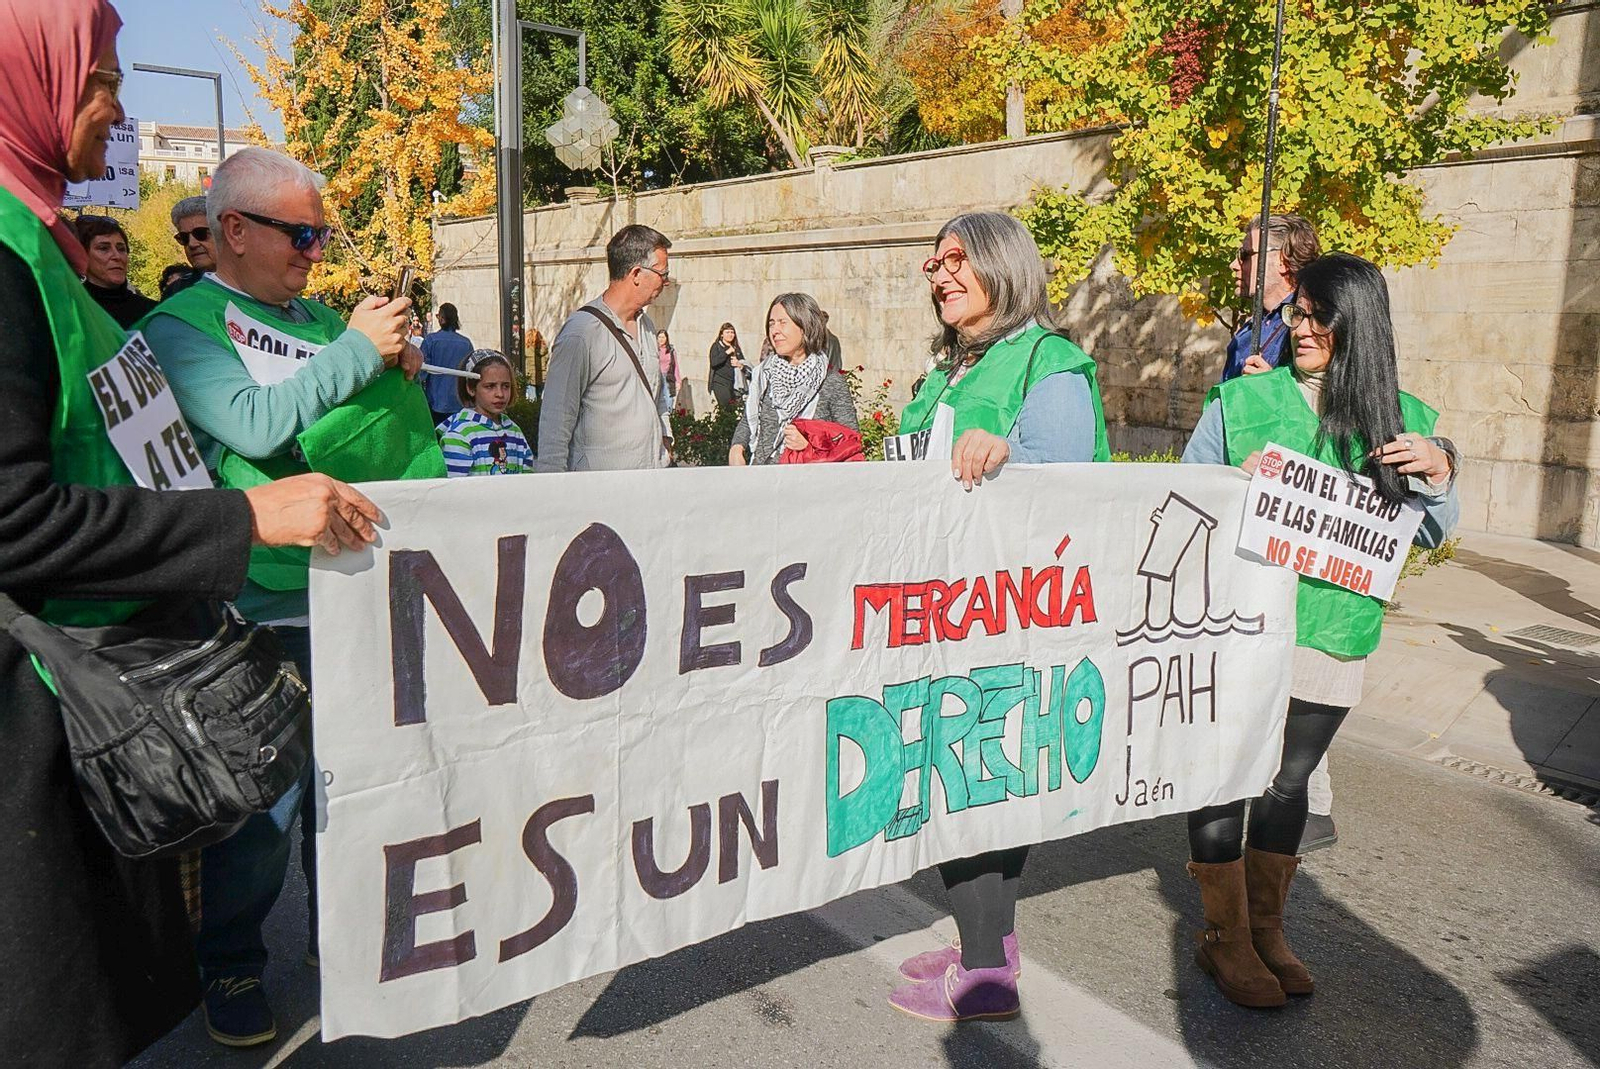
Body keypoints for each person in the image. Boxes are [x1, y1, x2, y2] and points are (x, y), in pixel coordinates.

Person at [0, 4, 379, 1063]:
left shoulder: (42, 242)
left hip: (109, 660)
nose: (119, 112)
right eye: (101, 80)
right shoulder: (16, 258)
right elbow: (13, 513)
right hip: (57, 687)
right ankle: (234, 960)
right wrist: (247, 513)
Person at [143, 144, 425, 1048]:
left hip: (353, 594)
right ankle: (230, 961)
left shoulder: (311, 318)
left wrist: (393, 375)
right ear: (233, 231)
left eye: (321, 233)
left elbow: (339, 419)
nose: (315, 249)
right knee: (261, 818)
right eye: (300, 232)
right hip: (253, 615)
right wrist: (353, 352)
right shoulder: (183, 326)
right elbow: (255, 423)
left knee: (351, 803)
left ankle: (342, 955)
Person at [1179, 251, 1459, 1009]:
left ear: (1355, 323)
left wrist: (1438, 469)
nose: (1300, 326)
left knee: (1287, 781)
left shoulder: (1404, 418)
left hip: (1332, 632)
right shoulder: (1241, 403)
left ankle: (1266, 926)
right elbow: (1183, 494)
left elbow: (1433, 534)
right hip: (1240, 629)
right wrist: (1225, 494)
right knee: (1225, 774)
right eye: (1297, 312)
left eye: (1317, 316)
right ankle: (1225, 938)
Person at [886, 211, 1109, 1023]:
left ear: (1003, 267)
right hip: (936, 612)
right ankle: (987, 943)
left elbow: (1068, 484)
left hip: (1004, 623)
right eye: (933, 262)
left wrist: (1008, 452)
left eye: (957, 260)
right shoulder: (948, 368)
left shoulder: (1050, 362)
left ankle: (985, 979)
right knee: (958, 781)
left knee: (975, 786)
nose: (940, 274)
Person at [536, 224, 676, 472]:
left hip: (652, 481)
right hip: (601, 491)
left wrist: (665, 438)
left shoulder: (647, 326)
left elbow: (656, 395)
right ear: (636, 274)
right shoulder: (581, 333)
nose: (665, 282)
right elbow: (556, 420)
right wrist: (552, 487)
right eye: (662, 274)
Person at [728, 293, 857, 465]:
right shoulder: (764, 375)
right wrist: (737, 447)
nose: (775, 331)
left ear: (805, 327)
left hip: (807, 483)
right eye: (771, 323)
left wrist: (809, 446)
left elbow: (850, 441)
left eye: (783, 322)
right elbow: (748, 420)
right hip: (762, 479)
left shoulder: (831, 381)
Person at [1221, 213, 1320, 382]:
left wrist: (1271, 387)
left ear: (1282, 260)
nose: (1234, 265)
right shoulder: (1247, 333)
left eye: (1245, 255)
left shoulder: (1310, 328)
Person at [438, 350, 532, 476]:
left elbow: (528, 479)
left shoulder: (514, 431)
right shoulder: (459, 434)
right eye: (490, 386)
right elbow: (454, 490)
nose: (500, 394)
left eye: (505, 386)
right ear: (471, 388)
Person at [73, 213, 154, 326]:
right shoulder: (71, 310)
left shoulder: (152, 313)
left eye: (121, 249)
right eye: (104, 248)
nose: (117, 256)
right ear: (83, 254)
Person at [422, 301, 474, 425]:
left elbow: (421, 373)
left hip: (436, 402)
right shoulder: (466, 343)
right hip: (460, 403)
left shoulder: (431, 341)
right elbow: (471, 372)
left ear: (442, 319)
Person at [162, 193, 215, 297]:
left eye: (201, 234)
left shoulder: (252, 285)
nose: (192, 244)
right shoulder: (175, 292)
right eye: (184, 237)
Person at [708, 321, 746, 408]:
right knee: (726, 409)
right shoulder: (716, 346)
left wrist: (739, 364)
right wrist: (726, 352)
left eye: (732, 332)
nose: (730, 334)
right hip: (720, 382)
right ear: (722, 334)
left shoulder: (736, 348)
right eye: (727, 332)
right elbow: (714, 362)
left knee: (734, 411)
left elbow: (744, 364)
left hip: (735, 384)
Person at [523, 325, 549, 399]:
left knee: (531, 400)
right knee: (540, 399)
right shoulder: (544, 349)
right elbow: (546, 360)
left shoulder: (526, 349)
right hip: (542, 377)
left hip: (530, 377)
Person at [657, 328, 681, 405]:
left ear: (666, 338)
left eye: (663, 337)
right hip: (657, 376)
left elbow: (675, 366)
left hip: (667, 376)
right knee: (657, 398)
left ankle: (669, 415)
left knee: (669, 399)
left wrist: (678, 381)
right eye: (659, 337)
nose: (661, 339)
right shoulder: (655, 349)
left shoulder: (671, 350)